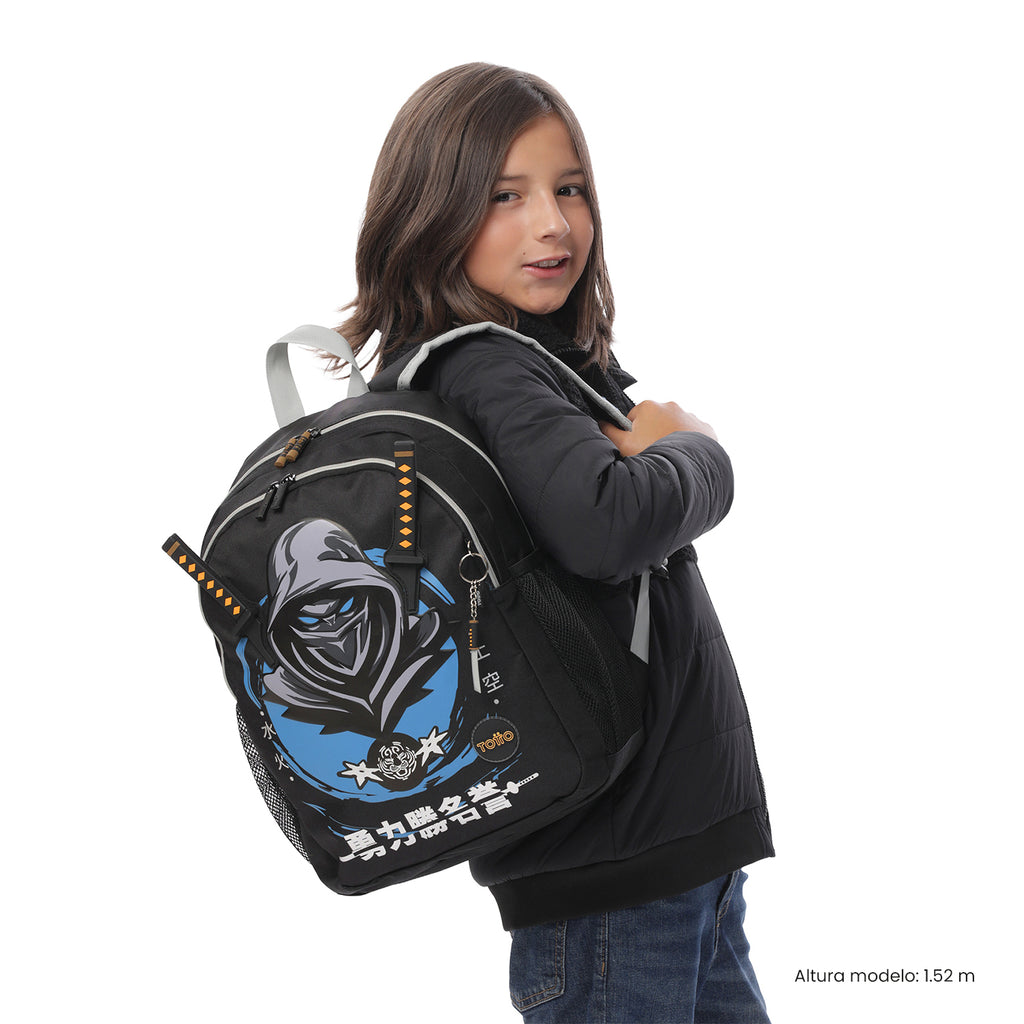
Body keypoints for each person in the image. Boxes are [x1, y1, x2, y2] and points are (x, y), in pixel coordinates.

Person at [335, 62, 774, 1024]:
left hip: (660, 861)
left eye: (569, 189)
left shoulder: (522, 362)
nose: (554, 225)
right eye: (506, 196)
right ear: (431, 212)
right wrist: (698, 450)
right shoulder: (484, 366)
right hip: (614, 889)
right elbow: (605, 525)